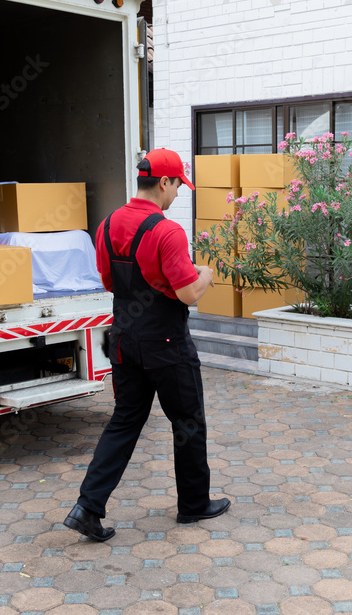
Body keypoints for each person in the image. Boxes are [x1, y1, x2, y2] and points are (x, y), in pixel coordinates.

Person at [63, 148, 230, 542]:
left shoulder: (107, 225)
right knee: (187, 422)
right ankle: (193, 504)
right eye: (178, 186)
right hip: (166, 345)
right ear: (164, 182)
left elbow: (109, 281)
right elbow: (188, 293)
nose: (177, 195)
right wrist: (206, 274)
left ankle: (87, 507)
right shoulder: (167, 232)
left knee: (124, 422)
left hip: (123, 340)